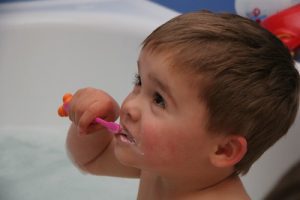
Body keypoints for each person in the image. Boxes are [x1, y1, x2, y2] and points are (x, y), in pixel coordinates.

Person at [64, 11, 299, 199]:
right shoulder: (164, 165)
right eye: (139, 81)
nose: (129, 107)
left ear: (223, 150)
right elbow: (91, 161)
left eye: (159, 99)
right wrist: (87, 124)